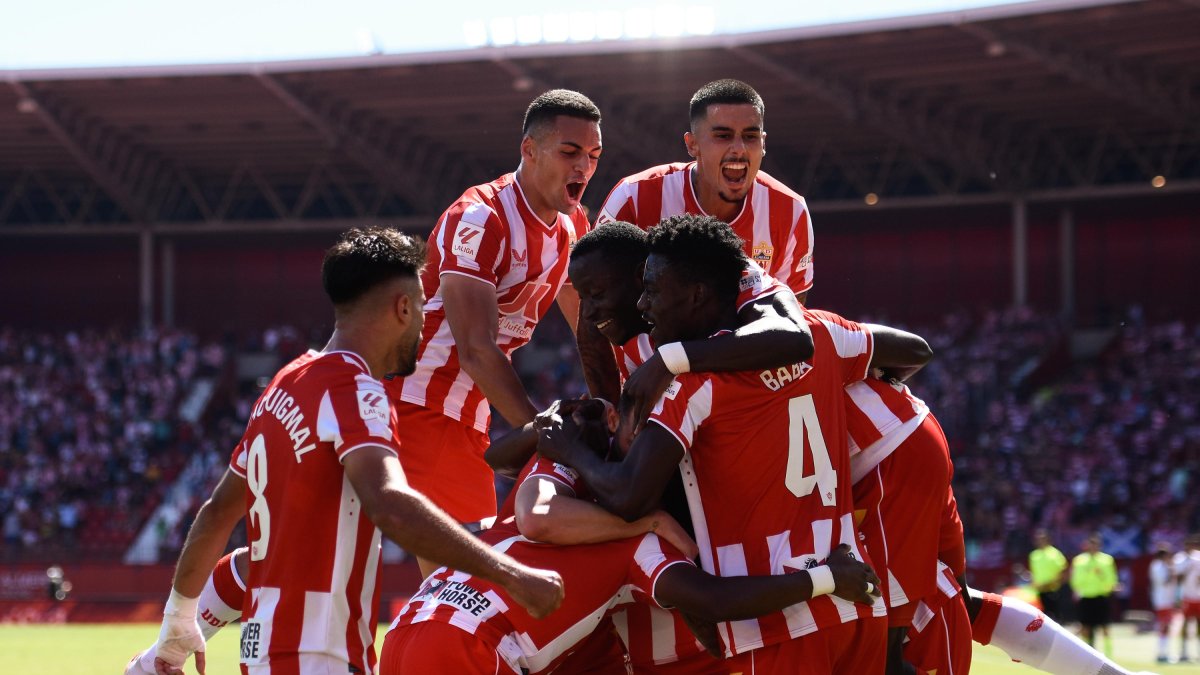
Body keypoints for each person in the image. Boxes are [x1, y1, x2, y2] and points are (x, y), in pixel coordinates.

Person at [143, 228, 564, 675]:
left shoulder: (284, 385)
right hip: (319, 659)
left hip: (263, 656)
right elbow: (391, 506)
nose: (425, 324)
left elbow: (216, 512)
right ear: (403, 307)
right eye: (423, 307)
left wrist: (177, 620)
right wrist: (512, 575)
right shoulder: (355, 390)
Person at [537, 214, 907, 673]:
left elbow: (630, 497)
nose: (643, 302)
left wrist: (570, 450)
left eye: (651, 289)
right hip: (853, 596)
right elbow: (915, 350)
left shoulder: (691, 386)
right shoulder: (821, 335)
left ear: (695, 294)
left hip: (777, 615)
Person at [382, 400, 881, 673]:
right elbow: (715, 599)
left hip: (413, 631)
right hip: (471, 649)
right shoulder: (638, 540)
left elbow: (516, 482)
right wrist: (825, 580)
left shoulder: (564, 475)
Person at [385, 89, 602, 577]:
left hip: (464, 415)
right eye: (569, 152)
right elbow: (477, 350)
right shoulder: (480, 217)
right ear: (529, 150)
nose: (583, 169)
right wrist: (542, 433)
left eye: (592, 156)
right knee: (462, 581)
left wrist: (618, 398)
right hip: (413, 401)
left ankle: (194, 612)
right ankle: (193, 613)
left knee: (447, 584)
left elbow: (588, 328)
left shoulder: (574, 227)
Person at [596, 79, 814, 303]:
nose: (739, 149)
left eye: (750, 136)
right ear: (692, 145)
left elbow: (792, 319)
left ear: (763, 143)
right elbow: (595, 303)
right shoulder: (632, 197)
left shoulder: (791, 211)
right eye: (723, 136)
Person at [1071, 533, 1119, 656]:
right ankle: (1087, 653)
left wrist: (1100, 575)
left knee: (1105, 627)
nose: (1093, 548)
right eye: (1091, 545)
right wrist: (1088, 574)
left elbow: (1111, 580)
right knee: (1085, 627)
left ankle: (1109, 655)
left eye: (1096, 545)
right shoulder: (1079, 561)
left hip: (1101, 597)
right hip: (1086, 597)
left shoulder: (1106, 560)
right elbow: (1076, 581)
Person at [1030, 529, 1070, 622]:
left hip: (1053, 589)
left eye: (1042, 539)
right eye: (1038, 539)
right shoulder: (1034, 555)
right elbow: (1035, 573)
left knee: (1056, 616)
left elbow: (1063, 571)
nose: (1040, 541)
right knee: (1043, 616)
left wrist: (1053, 583)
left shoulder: (1055, 553)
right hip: (1040, 590)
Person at [1149, 543, 1176, 663]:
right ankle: (1161, 653)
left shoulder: (1161, 565)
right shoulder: (1158, 566)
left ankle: (1164, 652)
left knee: (1166, 626)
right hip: (1162, 600)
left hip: (1166, 600)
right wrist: (1171, 571)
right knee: (1163, 626)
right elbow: (1165, 581)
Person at [1176, 534, 1200, 662]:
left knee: (1198, 624)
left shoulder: (1199, 558)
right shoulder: (1180, 559)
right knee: (1185, 623)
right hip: (1186, 596)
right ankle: (1184, 652)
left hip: (1198, 596)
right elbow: (1178, 578)